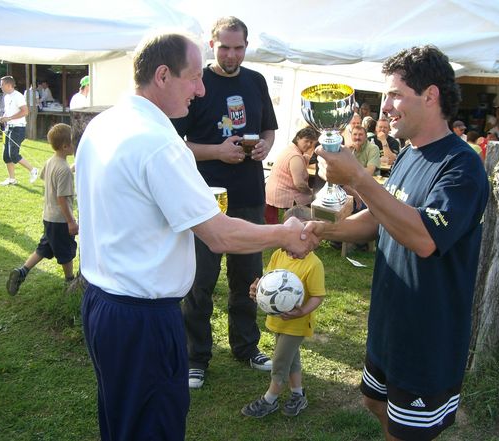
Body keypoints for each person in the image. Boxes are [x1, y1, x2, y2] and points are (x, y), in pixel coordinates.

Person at [76, 32, 315, 441]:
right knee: (154, 426)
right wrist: (285, 233)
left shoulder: (104, 123)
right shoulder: (158, 142)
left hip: (102, 304)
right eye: (194, 79)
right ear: (163, 75)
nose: (202, 89)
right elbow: (218, 236)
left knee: (121, 419)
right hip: (142, 318)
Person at [305, 45, 489, 441]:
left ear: (431, 95)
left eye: (395, 94)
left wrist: (356, 177)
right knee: (375, 402)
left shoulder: (462, 166)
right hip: (390, 321)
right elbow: (379, 215)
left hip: (428, 335)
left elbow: (424, 238)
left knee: (407, 433)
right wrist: (325, 231)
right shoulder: (408, 155)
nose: (385, 106)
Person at [170, 16, 279, 389]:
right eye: (225, 47)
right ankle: (196, 356)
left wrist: (266, 144)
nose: (232, 55)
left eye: (239, 48)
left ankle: (246, 347)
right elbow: (177, 145)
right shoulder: (198, 83)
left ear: (247, 47)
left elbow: (269, 127)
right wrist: (217, 151)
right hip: (204, 198)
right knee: (199, 280)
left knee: (248, 277)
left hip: (249, 194)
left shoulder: (256, 81)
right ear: (211, 44)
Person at [242, 205, 325, 418]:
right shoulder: (279, 255)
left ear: (308, 237)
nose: (288, 247)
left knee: (280, 361)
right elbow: (271, 281)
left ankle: (270, 399)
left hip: (297, 323)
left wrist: (302, 311)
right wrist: (258, 290)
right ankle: (298, 395)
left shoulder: (314, 264)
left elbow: (317, 295)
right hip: (279, 320)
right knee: (292, 358)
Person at [6, 123, 78, 295]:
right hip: (61, 220)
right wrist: (71, 221)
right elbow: (62, 197)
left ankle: (22, 271)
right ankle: (69, 280)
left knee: (44, 248)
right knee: (66, 251)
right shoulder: (64, 171)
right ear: (65, 146)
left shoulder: (51, 162)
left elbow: (46, 176)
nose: (75, 145)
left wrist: (70, 168)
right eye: (73, 142)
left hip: (48, 216)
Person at [265, 127, 319, 224]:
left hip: (273, 195)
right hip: (284, 198)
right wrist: (312, 193)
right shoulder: (295, 156)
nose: (309, 145)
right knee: (312, 203)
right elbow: (299, 184)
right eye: (306, 141)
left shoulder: (290, 149)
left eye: (311, 143)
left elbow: (304, 159)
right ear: (298, 138)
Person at [0, 76, 38, 186]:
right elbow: (8, 112)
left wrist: (9, 118)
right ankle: (12, 179)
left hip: (18, 128)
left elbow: (25, 111)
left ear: (8, 85)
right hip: (9, 128)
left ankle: (33, 170)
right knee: (6, 156)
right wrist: (3, 118)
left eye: (2, 84)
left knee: (13, 155)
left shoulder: (18, 96)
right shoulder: (6, 97)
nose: (0, 87)